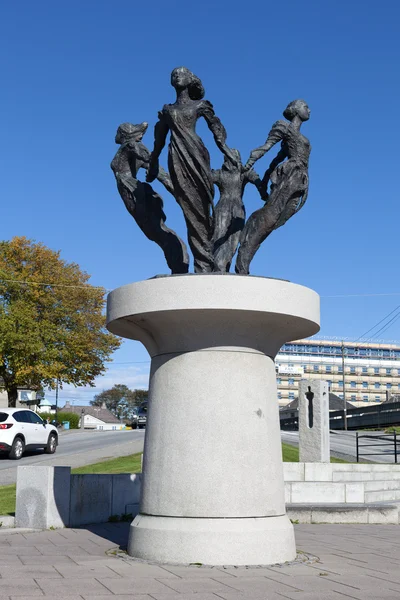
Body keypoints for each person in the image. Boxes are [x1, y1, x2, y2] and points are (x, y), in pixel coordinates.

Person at [147, 67, 238, 272]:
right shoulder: (168, 110)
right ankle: (203, 263)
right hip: (177, 158)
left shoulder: (201, 105)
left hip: (197, 156)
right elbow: (159, 140)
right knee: (190, 207)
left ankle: (207, 259)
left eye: (182, 72)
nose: (177, 74)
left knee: (203, 207)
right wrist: (153, 163)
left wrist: (226, 150)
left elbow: (217, 129)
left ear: (191, 80)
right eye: (173, 73)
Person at [235, 99, 311, 274]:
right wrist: (249, 164)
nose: (309, 110)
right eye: (305, 106)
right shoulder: (284, 127)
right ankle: (245, 253)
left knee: (279, 219)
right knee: (272, 216)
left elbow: (276, 159)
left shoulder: (297, 136)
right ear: (295, 109)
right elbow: (266, 148)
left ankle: (248, 248)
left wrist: (263, 182)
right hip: (290, 176)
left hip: (300, 179)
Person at [111, 121, 189, 274]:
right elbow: (157, 170)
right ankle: (179, 264)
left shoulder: (131, 146)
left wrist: (180, 196)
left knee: (155, 231)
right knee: (155, 231)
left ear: (124, 134)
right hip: (133, 191)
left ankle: (180, 265)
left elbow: (153, 164)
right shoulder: (130, 147)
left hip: (133, 192)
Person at [212, 150, 265, 272]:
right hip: (222, 209)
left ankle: (222, 266)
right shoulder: (219, 173)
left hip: (237, 210)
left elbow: (255, 178)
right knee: (218, 237)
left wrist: (263, 191)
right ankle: (216, 266)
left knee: (234, 239)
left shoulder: (242, 173)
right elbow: (204, 180)